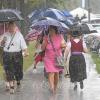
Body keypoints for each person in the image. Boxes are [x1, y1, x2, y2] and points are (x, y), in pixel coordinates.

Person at [1, 21, 29, 94]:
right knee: (9, 70)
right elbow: (1, 45)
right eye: (10, 26)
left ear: (15, 27)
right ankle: (11, 86)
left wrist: (25, 51)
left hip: (17, 55)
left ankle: (18, 80)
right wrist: (2, 42)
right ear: (8, 27)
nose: (11, 28)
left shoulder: (19, 35)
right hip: (7, 54)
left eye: (13, 26)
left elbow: (23, 45)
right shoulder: (5, 35)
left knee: (18, 70)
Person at [41, 25, 66, 94]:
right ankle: (51, 87)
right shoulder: (46, 37)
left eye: (52, 30)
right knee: (51, 72)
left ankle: (55, 87)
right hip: (48, 58)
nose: (50, 31)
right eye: (49, 30)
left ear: (55, 30)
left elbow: (64, 44)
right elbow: (42, 48)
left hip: (58, 58)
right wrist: (44, 42)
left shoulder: (60, 36)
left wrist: (62, 45)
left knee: (56, 73)